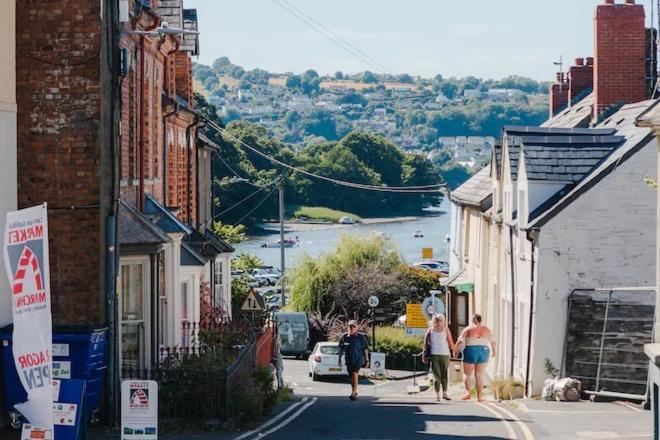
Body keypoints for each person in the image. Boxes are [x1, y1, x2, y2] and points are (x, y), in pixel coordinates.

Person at [454, 313, 496, 402]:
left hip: (471, 350)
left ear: (473, 320)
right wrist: (494, 351)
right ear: (481, 320)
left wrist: (455, 350)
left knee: (467, 374)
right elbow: (493, 341)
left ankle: (467, 393)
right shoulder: (487, 330)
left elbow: (460, 340)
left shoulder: (468, 329)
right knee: (479, 375)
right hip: (483, 351)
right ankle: (479, 397)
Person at [422, 314, 456, 402]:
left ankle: (437, 395)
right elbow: (450, 342)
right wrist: (454, 351)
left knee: (436, 375)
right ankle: (444, 393)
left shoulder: (430, 330)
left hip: (434, 354)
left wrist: (424, 355)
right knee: (444, 374)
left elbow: (425, 344)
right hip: (445, 354)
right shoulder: (446, 329)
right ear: (442, 320)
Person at [338, 320, 369, 401]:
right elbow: (341, 349)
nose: (351, 328)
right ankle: (354, 391)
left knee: (355, 373)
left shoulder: (361, 337)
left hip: (358, 359)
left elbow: (365, 349)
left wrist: (366, 360)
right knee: (351, 376)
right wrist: (339, 360)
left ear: (357, 327)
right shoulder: (344, 337)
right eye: (350, 326)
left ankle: (353, 392)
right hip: (349, 359)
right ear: (348, 327)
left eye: (353, 326)